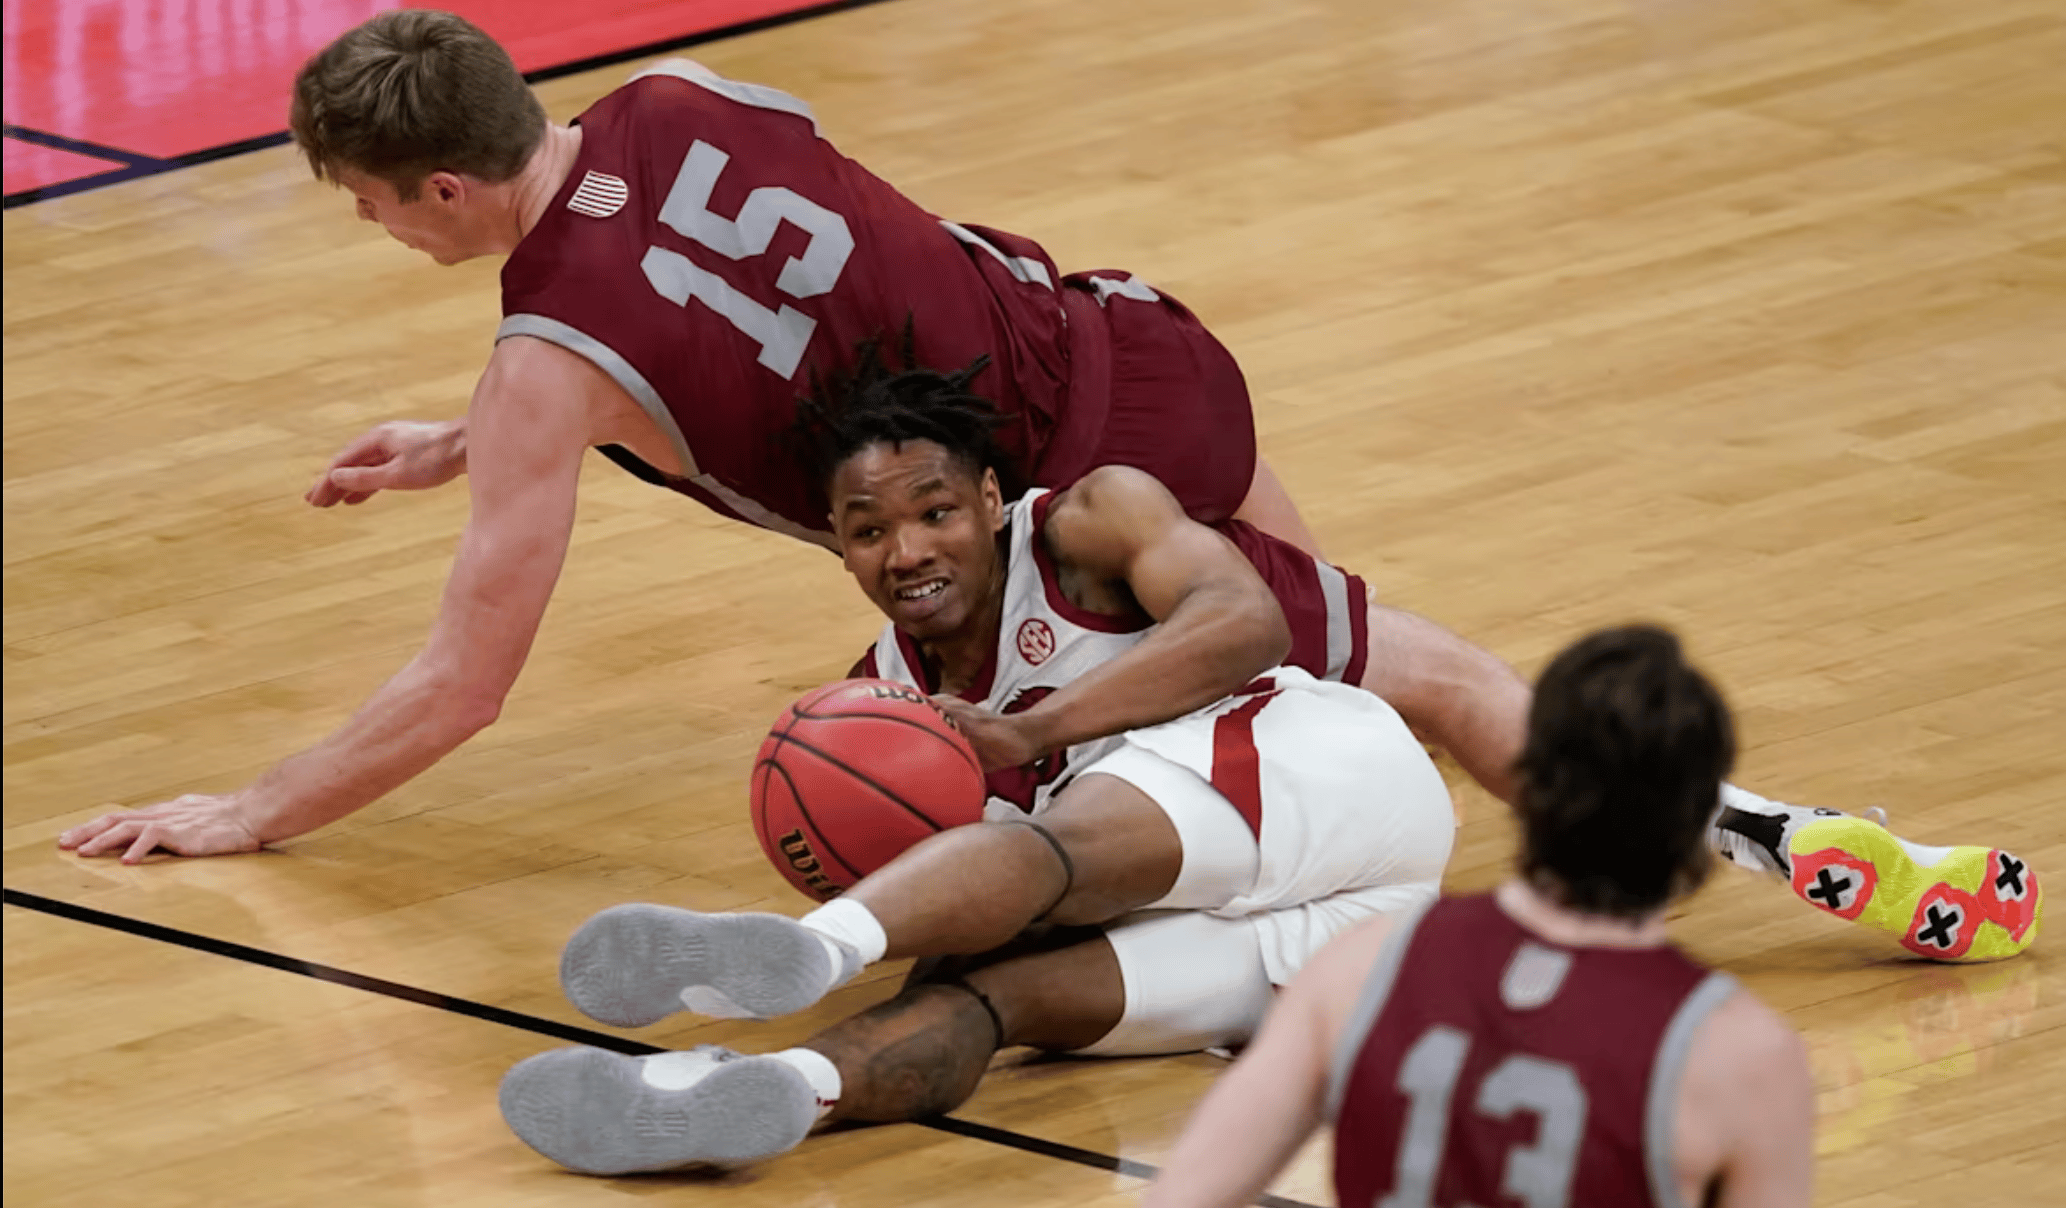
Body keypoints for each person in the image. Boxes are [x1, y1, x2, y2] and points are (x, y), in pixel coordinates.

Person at [57, 13, 2040, 969]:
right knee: (1350, 661)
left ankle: (1354, 967)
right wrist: (473, 438)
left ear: (439, 189)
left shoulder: (542, 360)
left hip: (1030, 525)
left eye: (373, 211)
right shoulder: (690, 101)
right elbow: (765, 288)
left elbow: (462, 684)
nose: (382, 236)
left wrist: (250, 808)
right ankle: (1725, 826)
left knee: (1016, 811)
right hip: (1145, 346)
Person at [495, 338, 1462, 1175]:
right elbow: (981, 921)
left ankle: (820, 947)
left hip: (1330, 776)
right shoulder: (882, 710)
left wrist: (1034, 733)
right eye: (869, 530)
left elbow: (1246, 620)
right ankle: (772, 1092)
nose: (907, 550)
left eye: (935, 512)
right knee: (988, 1000)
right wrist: (896, 992)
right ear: (838, 546)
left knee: (1059, 854)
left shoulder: (1088, 524)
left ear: (993, 499)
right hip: (1350, 942)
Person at [1144, 625, 1816, 1208]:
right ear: (1691, 835)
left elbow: (1185, 1194)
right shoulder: (1742, 1055)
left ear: (1530, 781)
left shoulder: (1361, 967)